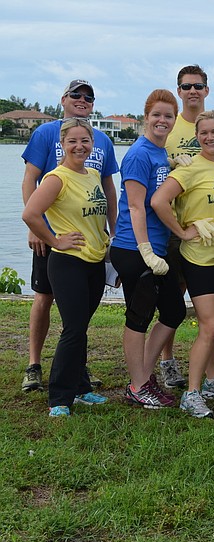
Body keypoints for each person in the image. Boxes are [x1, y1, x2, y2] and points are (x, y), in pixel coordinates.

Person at [20, 79, 117, 393]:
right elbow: (30, 183)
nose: (82, 99)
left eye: (88, 96)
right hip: (56, 239)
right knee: (46, 299)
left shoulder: (98, 148)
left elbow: (108, 190)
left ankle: (79, 378)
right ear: (63, 99)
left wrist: (114, 233)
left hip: (90, 248)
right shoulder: (46, 134)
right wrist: (42, 233)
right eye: (76, 94)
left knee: (77, 324)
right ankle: (37, 369)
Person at [160, 64, 214, 388]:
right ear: (179, 90)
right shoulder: (168, 124)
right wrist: (181, 230)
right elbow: (157, 192)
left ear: (206, 89)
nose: (192, 90)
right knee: (174, 305)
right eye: (186, 86)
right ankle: (170, 363)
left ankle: (212, 376)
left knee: (212, 321)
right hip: (180, 235)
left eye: (197, 85)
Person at [152, 110, 214, 418]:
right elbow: (158, 201)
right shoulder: (189, 169)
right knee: (210, 324)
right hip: (198, 258)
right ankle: (191, 392)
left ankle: (213, 379)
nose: (210, 137)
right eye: (203, 133)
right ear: (197, 137)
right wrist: (182, 231)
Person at [110, 89, 187, 410]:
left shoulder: (158, 152)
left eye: (168, 116)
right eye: (157, 115)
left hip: (156, 249)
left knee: (174, 311)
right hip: (134, 249)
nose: (162, 120)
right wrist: (145, 250)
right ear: (146, 118)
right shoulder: (138, 154)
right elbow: (135, 207)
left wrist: (173, 162)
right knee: (138, 318)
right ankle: (139, 385)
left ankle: (143, 374)